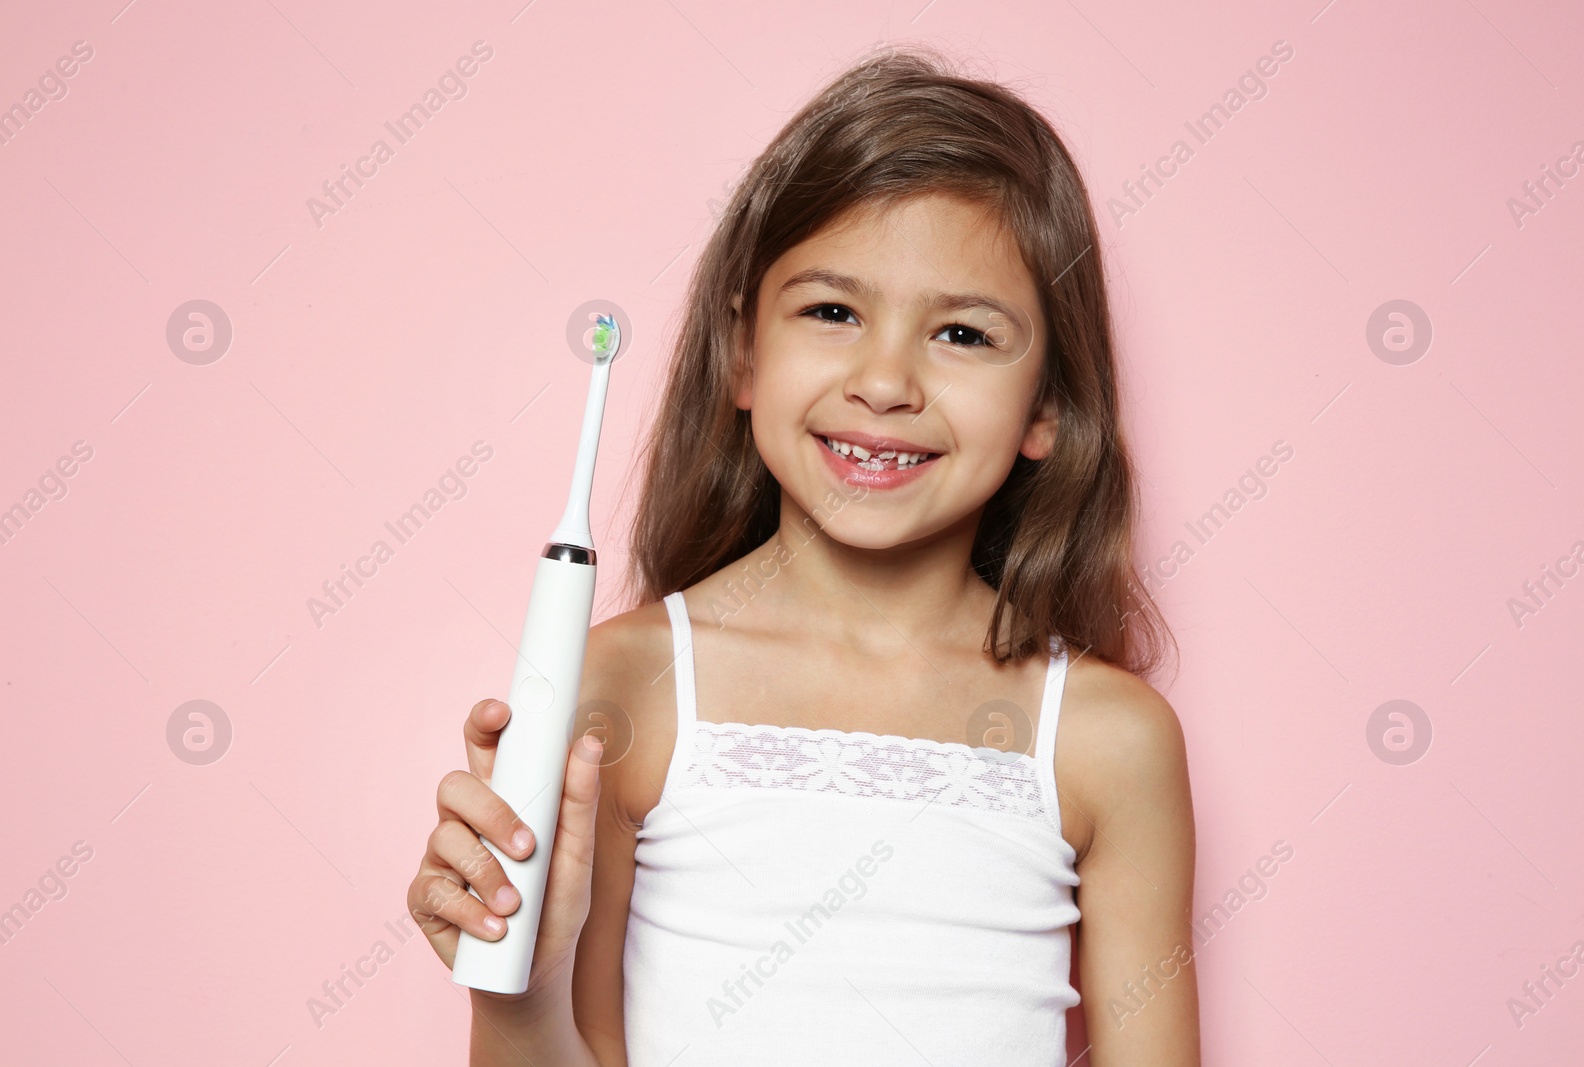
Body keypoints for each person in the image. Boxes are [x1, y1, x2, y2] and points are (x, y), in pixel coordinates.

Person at [407, 45, 1200, 1067]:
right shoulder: (625, 687)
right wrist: (517, 980)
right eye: (832, 312)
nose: (884, 381)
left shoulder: (1108, 738)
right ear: (743, 354)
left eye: (961, 333)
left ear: (1047, 403)